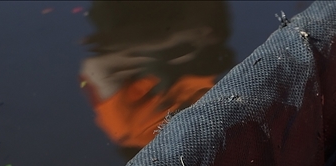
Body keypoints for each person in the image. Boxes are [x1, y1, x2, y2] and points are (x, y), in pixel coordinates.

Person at [80, 1, 235, 153]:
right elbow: (207, 28)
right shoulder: (219, 114)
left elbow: (97, 67)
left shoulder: (129, 129)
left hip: (133, 23)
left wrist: (170, 39)